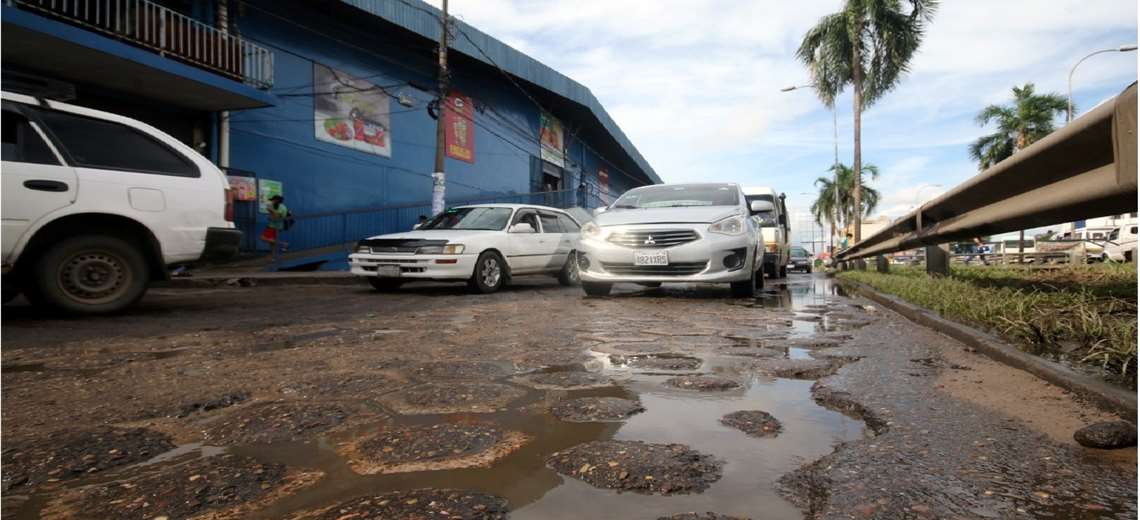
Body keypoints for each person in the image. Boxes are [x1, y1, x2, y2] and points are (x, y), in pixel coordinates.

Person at [260, 195, 290, 263]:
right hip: (276, 226)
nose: (272, 202)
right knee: (272, 243)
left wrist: (270, 210)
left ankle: (283, 244)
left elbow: (276, 217)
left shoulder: (281, 208)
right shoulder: (281, 207)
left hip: (274, 226)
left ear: (277, 200)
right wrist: (270, 213)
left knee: (262, 238)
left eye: (273, 200)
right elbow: (274, 216)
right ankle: (273, 258)